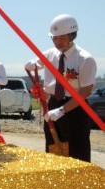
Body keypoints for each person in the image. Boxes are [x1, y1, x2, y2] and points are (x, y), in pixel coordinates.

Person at [25, 14, 96, 162]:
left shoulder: (85, 59)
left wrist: (63, 110)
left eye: (62, 38)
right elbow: (36, 63)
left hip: (75, 108)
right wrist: (31, 64)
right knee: (53, 149)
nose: (57, 42)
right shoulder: (50, 54)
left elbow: (85, 91)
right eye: (54, 38)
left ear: (72, 35)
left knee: (77, 152)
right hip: (52, 105)